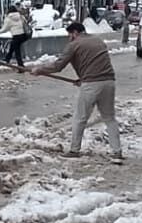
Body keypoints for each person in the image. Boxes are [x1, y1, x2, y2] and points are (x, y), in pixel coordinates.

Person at [31, 22, 123, 164]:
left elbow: (58, 66)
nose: (69, 38)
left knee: (80, 118)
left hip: (91, 84)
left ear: (74, 33)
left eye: (70, 35)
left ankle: (74, 150)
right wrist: (82, 78)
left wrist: (39, 70)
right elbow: (95, 63)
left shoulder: (74, 45)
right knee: (109, 118)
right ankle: (117, 151)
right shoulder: (98, 41)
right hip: (109, 81)